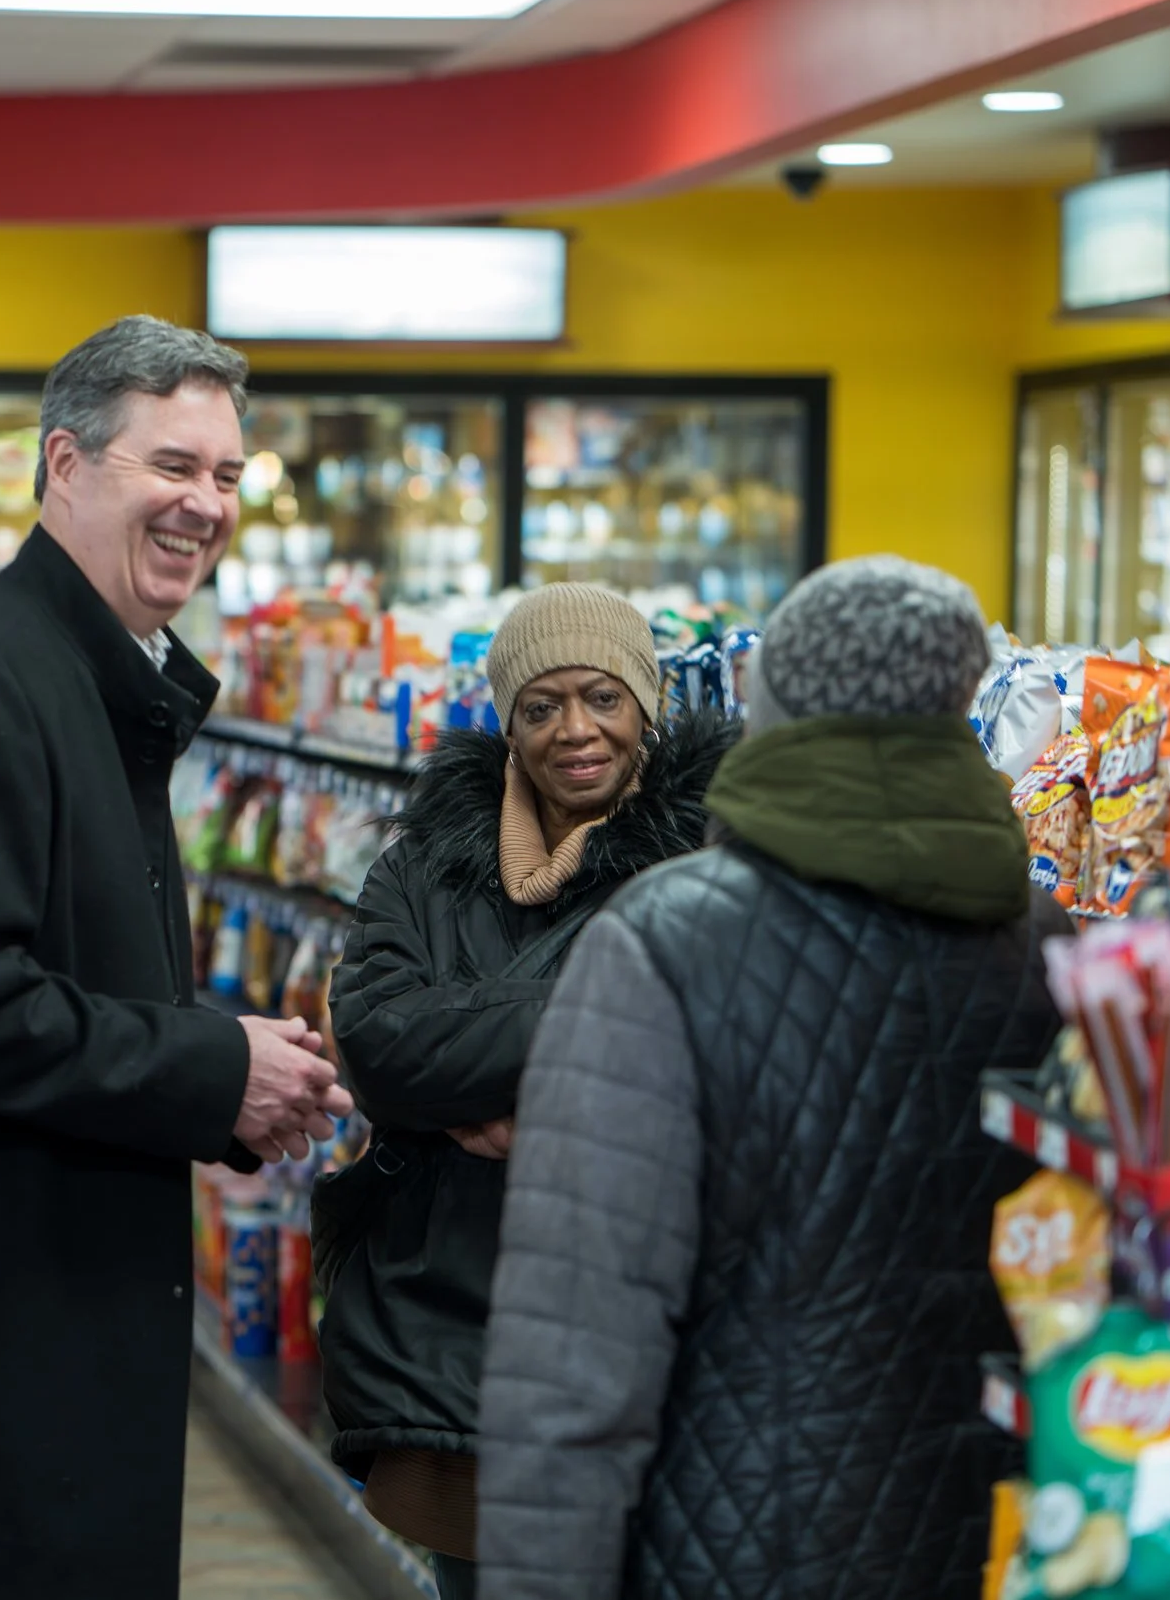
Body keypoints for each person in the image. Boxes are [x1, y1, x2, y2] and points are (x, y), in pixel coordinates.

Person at [0, 315, 353, 1600]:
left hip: (65, 1296)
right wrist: (207, 1066)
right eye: (172, 467)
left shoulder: (93, 672)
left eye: (228, 475)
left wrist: (242, 1079)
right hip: (0, 1318)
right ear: (65, 466)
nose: (205, 505)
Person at [477, 555, 1067, 1600]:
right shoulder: (1050, 945)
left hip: (738, 1544)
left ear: (767, 703)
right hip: (1006, 1535)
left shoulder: (665, 942)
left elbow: (574, 1360)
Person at [317, 585, 736, 1600]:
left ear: (647, 704)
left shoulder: (714, 853)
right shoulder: (424, 860)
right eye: (541, 705)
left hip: (645, 1321)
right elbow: (377, 1046)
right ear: (506, 719)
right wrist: (603, 1024)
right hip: (455, 1334)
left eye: (602, 695)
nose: (575, 728)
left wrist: (498, 1075)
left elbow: (714, 1050)